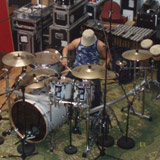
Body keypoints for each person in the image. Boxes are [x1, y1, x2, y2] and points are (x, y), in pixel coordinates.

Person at [61, 29, 111, 108]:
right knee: (66, 83)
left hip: (93, 72)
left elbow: (108, 57)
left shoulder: (100, 45)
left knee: (96, 92)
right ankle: (67, 105)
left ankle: (94, 110)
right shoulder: (77, 42)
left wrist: (102, 68)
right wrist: (64, 58)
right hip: (77, 69)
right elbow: (66, 48)